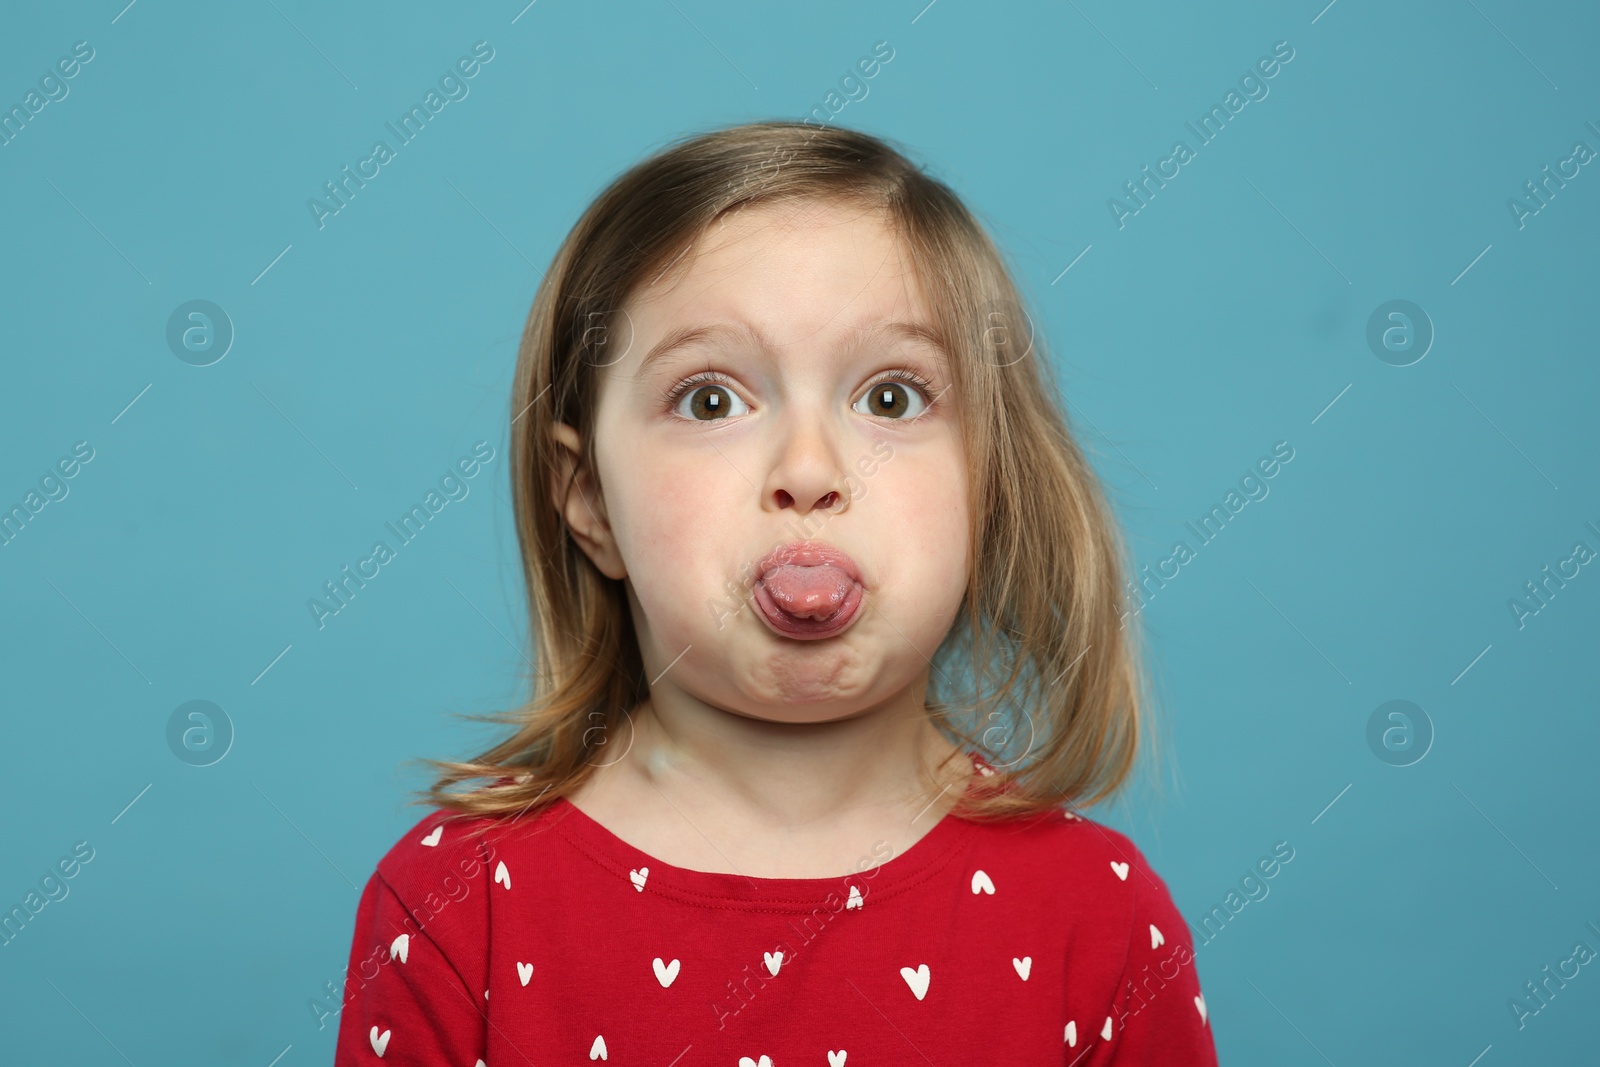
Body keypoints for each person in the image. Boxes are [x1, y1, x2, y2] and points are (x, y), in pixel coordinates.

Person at [332, 120, 1218, 1065]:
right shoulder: (458, 905)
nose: (808, 469)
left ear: (991, 480)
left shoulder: (1100, 914)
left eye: (891, 398)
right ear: (588, 497)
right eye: (710, 400)